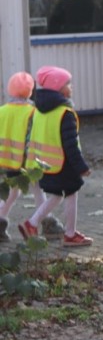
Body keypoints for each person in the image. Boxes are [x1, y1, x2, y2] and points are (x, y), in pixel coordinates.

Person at [18, 66, 93, 247]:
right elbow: (70, 144)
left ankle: (33, 223)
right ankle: (69, 234)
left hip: (45, 163)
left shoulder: (38, 110)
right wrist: (81, 167)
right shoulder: (65, 113)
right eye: (68, 83)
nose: (71, 87)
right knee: (71, 194)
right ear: (59, 88)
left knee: (57, 196)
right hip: (64, 163)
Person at [0, 72, 40, 241]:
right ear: (30, 91)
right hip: (25, 160)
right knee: (38, 190)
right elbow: (32, 137)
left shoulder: (2, 110)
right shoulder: (32, 112)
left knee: (12, 193)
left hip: (5, 160)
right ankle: (45, 221)